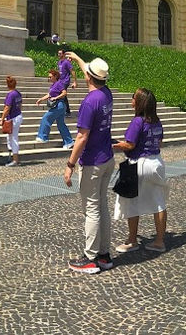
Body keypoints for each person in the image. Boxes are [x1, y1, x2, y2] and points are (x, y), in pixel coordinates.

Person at [62, 53, 116, 274]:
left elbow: (82, 137)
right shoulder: (106, 94)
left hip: (92, 161)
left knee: (92, 210)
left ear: (89, 79)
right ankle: (104, 255)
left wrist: (70, 164)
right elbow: (90, 73)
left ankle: (90, 258)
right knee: (102, 206)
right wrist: (76, 58)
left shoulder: (89, 102)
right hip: (108, 158)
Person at [114, 88, 168, 254]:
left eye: (133, 98)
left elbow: (130, 145)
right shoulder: (156, 121)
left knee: (131, 201)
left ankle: (132, 240)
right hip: (156, 162)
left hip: (140, 163)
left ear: (139, 102)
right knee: (159, 202)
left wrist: (114, 144)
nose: (131, 100)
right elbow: (159, 143)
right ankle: (159, 241)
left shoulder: (138, 121)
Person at [33, 67, 74, 148]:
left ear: (55, 76)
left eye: (50, 76)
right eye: (49, 77)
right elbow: (49, 94)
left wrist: (56, 98)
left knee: (46, 118)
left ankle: (43, 137)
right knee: (61, 124)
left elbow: (64, 93)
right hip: (59, 106)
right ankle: (69, 141)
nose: (49, 78)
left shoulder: (59, 83)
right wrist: (41, 99)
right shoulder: (53, 85)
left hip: (59, 105)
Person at [2, 76, 25, 166]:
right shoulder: (18, 93)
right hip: (18, 115)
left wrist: (2, 118)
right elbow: (20, 105)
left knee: (13, 138)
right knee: (11, 137)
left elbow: (7, 108)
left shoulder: (10, 95)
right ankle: (12, 156)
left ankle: (15, 159)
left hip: (13, 117)